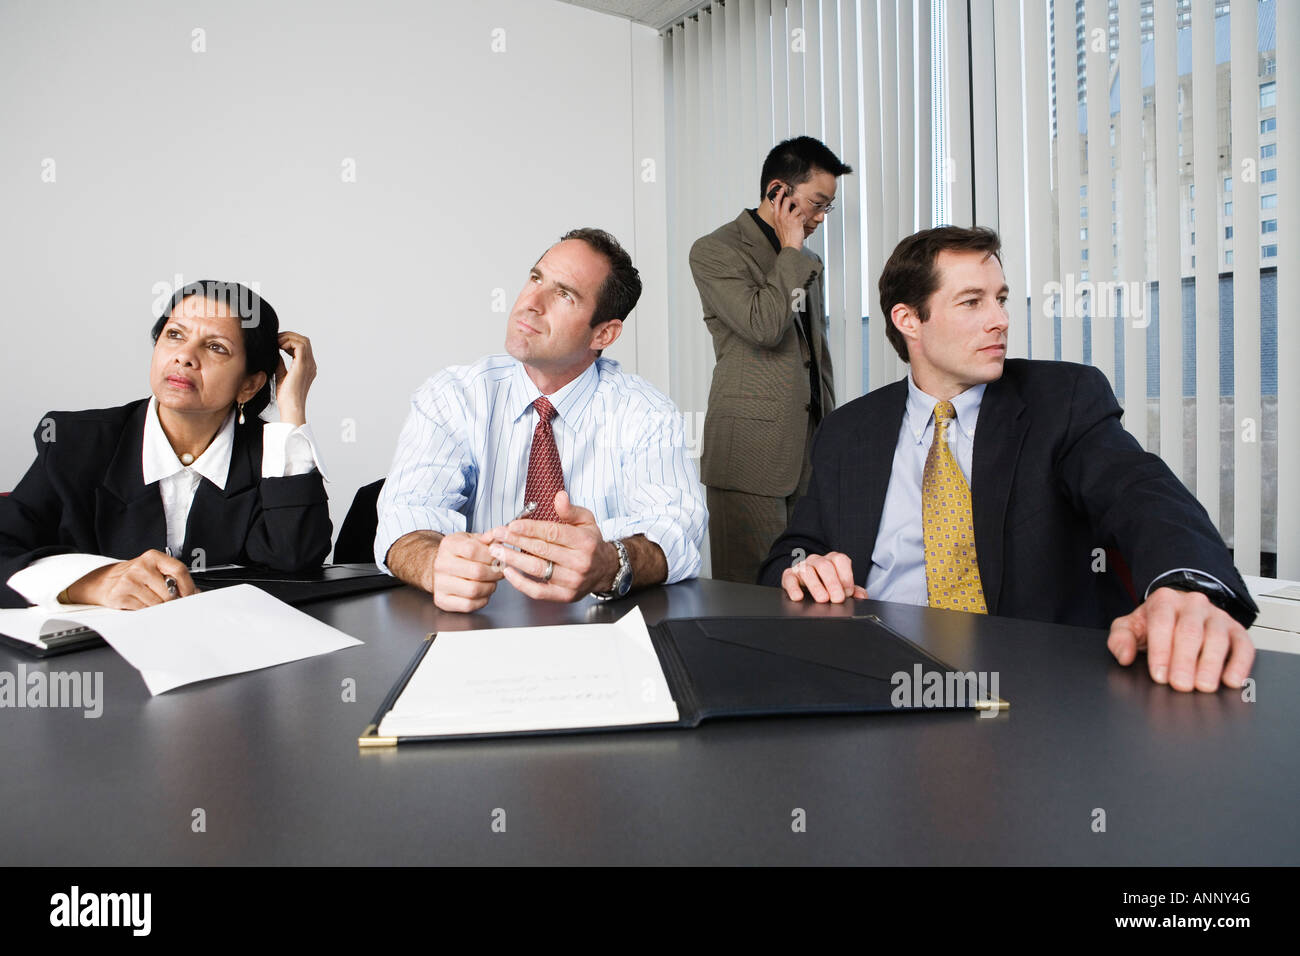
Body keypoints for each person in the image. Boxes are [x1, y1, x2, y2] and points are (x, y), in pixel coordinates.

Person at [758, 226, 1258, 693]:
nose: (999, 319)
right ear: (908, 320)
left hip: (1030, 689)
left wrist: (1186, 583)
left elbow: (1139, 491)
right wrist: (804, 570)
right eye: (972, 302)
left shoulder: (1060, 400)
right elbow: (795, 549)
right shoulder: (849, 431)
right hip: (872, 678)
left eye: (999, 299)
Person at [375, 227, 707, 613]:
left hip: (599, 634)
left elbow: (678, 529)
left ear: (603, 333)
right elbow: (404, 518)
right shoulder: (453, 396)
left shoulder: (646, 413)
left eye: (564, 294)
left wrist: (608, 563)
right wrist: (435, 564)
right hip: (479, 629)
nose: (531, 302)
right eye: (535, 278)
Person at [0, 280, 331, 609]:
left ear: (249, 384)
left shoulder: (272, 455)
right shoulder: (74, 442)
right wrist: (92, 583)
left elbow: (296, 560)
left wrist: (292, 413)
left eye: (216, 347)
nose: (185, 356)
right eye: (175, 335)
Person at [690, 135, 852, 584]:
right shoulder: (715, 250)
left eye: (827, 208)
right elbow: (763, 325)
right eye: (816, 204)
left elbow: (814, 353)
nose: (820, 218)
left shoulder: (806, 259)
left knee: (806, 589)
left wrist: (830, 430)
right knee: (750, 593)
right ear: (779, 192)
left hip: (808, 446)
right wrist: (790, 251)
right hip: (749, 453)